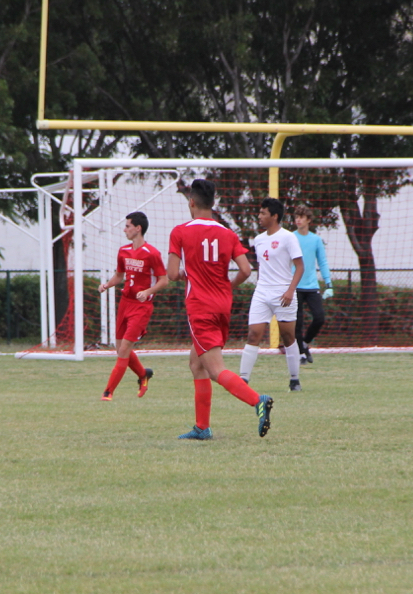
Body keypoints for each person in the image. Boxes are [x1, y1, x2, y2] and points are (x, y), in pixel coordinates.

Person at [163, 178, 274, 439]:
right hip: (222, 305)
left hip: (200, 307)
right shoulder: (227, 233)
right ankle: (202, 428)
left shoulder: (180, 231)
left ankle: (257, 400)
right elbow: (246, 270)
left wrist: (186, 273)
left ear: (191, 202)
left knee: (214, 369)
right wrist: (228, 285)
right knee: (196, 363)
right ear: (213, 205)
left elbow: (170, 273)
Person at [98, 211, 169, 400]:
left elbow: (164, 280)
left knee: (124, 349)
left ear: (138, 229)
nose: (125, 229)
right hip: (125, 303)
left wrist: (147, 292)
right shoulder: (123, 251)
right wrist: (106, 284)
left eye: (128, 226)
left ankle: (108, 391)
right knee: (120, 347)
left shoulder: (152, 253)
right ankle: (143, 374)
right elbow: (119, 276)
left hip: (141, 307)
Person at [238, 198, 306, 391]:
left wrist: (290, 291)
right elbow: (261, 267)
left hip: (283, 293)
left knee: (288, 337)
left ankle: (294, 379)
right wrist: (261, 286)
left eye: (263, 213)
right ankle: (243, 381)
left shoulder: (288, 237)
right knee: (253, 334)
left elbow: (300, 267)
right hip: (262, 293)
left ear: (274, 216)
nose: (259, 216)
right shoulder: (258, 239)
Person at [292, 204, 333, 364]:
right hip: (294, 286)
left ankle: (304, 343)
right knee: (297, 322)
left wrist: (329, 284)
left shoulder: (315, 240)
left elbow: (322, 262)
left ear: (308, 220)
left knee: (319, 318)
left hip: (311, 286)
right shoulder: (291, 237)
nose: (298, 220)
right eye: (296, 217)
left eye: (301, 217)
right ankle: (301, 354)